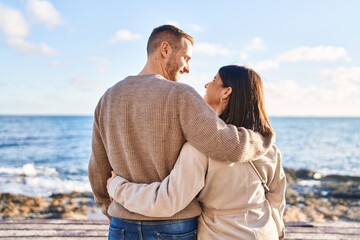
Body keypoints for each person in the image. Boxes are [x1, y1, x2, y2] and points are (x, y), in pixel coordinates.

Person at [88, 24, 273, 240]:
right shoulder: (180, 95)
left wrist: (112, 212)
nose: (187, 68)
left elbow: (98, 171)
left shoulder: (108, 98)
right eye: (186, 58)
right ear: (164, 49)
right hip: (172, 226)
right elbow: (229, 146)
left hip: (121, 224)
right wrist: (262, 137)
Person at [107, 65, 286, 240]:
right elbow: (276, 201)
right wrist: (277, 233)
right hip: (265, 232)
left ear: (226, 92)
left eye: (214, 80)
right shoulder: (268, 147)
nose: (207, 85)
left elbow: (167, 201)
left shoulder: (202, 148)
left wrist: (117, 187)